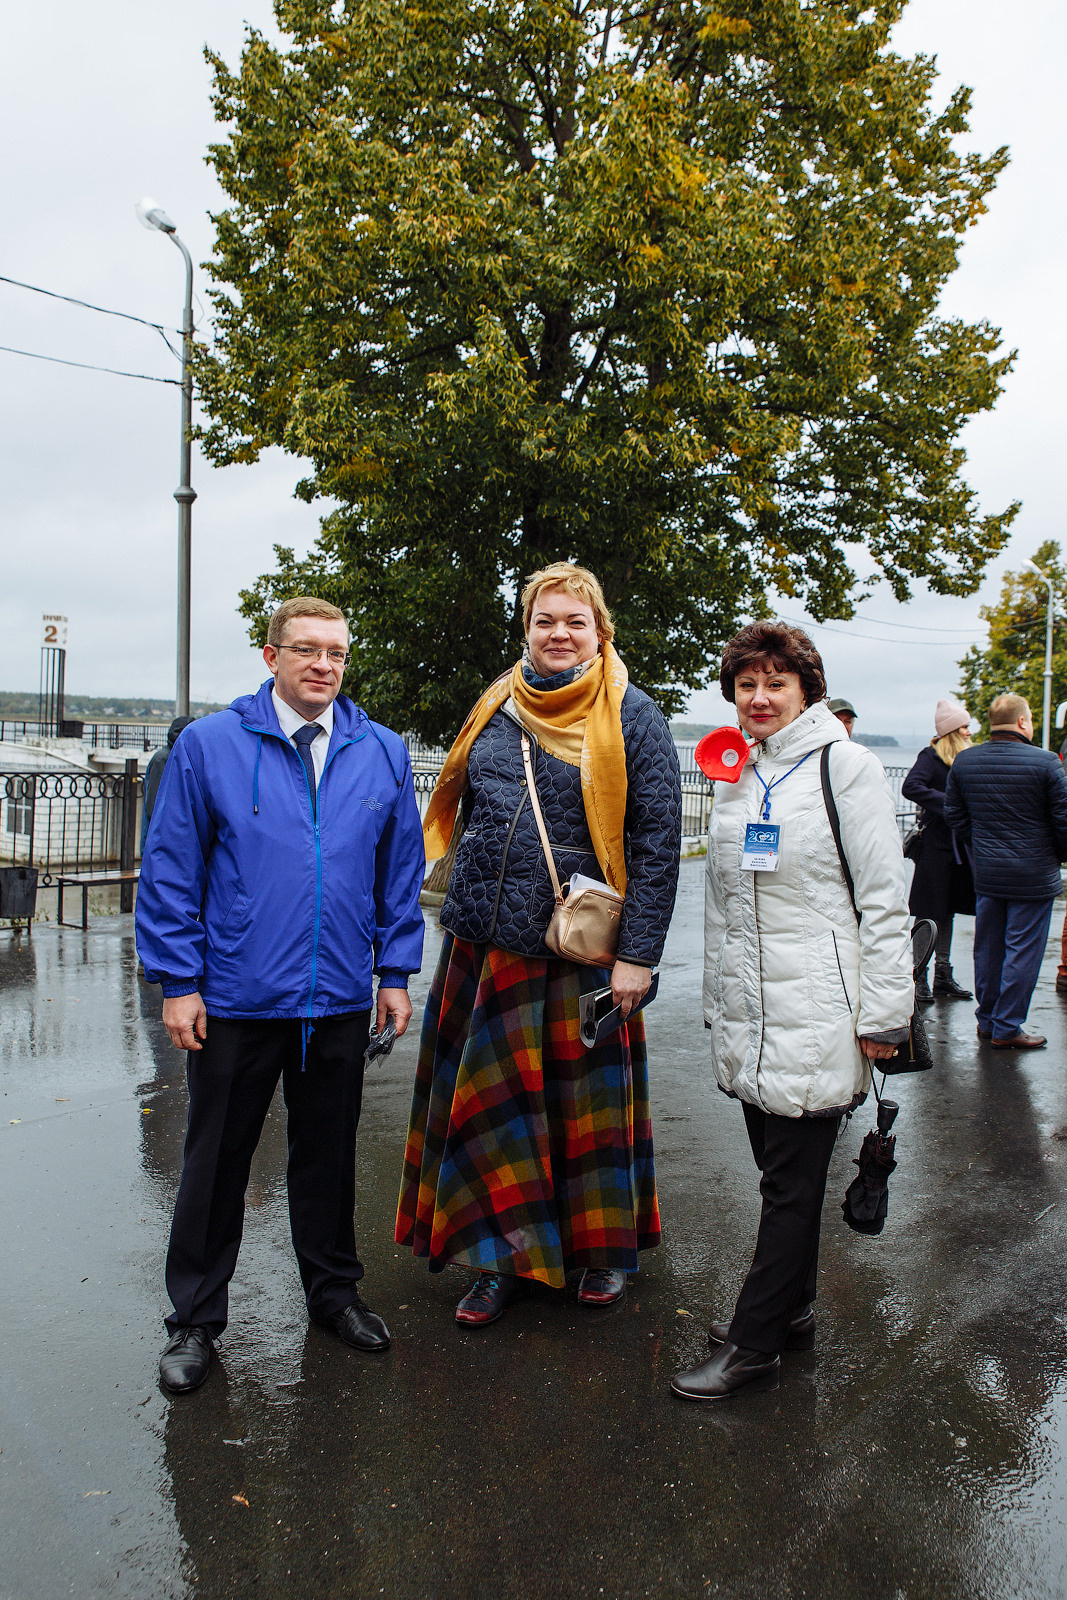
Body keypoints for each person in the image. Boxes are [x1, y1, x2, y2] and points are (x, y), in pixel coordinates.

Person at [136, 597, 425, 1394]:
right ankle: (194, 1320)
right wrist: (180, 983)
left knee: (328, 1160)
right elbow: (169, 868)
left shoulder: (382, 751)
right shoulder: (210, 746)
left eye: (335, 652)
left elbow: (399, 871)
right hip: (234, 995)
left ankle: (334, 1296)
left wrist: (394, 973)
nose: (322, 665)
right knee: (217, 1160)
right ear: (271, 658)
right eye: (305, 650)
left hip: (335, 996)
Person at [395, 562, 681, 1325]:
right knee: (493, 1116)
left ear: (599, 632)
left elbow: (655, 845)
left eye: (574, 622)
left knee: (582, 1117)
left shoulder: (634, 717)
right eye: (544, 621)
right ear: (526, 628)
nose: (558, 634)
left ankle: (600, 1252)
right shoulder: (496, 703)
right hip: (486, 951)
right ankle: (495, 1259)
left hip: (577, 953)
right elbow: (468, 812)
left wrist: (638, 958)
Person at [671, 621, 912, 1402]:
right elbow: (726, 905)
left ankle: (753, 1345)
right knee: (778, 1174)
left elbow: (883, 902)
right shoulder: (739, 772)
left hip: (820, 1009)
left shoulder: (846, 767)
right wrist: (719, 1004)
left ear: (805, 686)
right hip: (752, 1011)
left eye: (775, 682)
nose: (759, 697)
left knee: (787, 1187)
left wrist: (885, 1016)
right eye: (745, 684)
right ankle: (793, 1309)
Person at [944, 693, 1067, 1050]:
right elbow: (1062, 821)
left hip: (988, 874)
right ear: (1023, 722)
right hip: (1035, 876)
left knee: (988, 949)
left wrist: (980, 847)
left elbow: (955, 815)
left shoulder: (966, 761)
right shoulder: (1046, 763)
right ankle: (1007, 1027)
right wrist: (1054, 856)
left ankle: (987, 1020)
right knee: (1022, 952)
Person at [901, 698, 976, 1000]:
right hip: (935, 848)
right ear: (953, 731)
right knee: (928, 911)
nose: (970, 732)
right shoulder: (930, 757)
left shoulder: (965, 758)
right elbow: (911, 787)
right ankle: (919, 977)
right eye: (966, 727)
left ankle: (944, 974)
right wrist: (948, 805)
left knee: (949, 911)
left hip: (960, 848)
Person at [140, 715, 195, 850]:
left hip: (165, 840)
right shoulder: (164, 759)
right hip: (160, 842)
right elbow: (154, 806)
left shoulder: (174, 755)